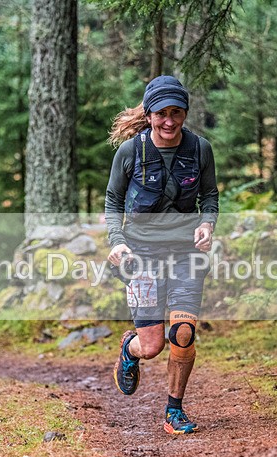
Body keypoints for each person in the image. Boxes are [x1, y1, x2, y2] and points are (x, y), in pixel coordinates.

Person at [104, 75, 219, 435]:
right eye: (161, 113)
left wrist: (207, 225)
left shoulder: (200, 149)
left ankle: (174, 411)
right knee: (152, 346)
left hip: (187, 252)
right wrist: (116, 240)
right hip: (141, 255)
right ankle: (130, 349)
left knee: (183, 333)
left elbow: (211, 197)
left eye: (177, 113)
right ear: (149, 114)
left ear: (185, 113)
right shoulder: (130, 153)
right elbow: (113, 202)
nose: (169, 121)